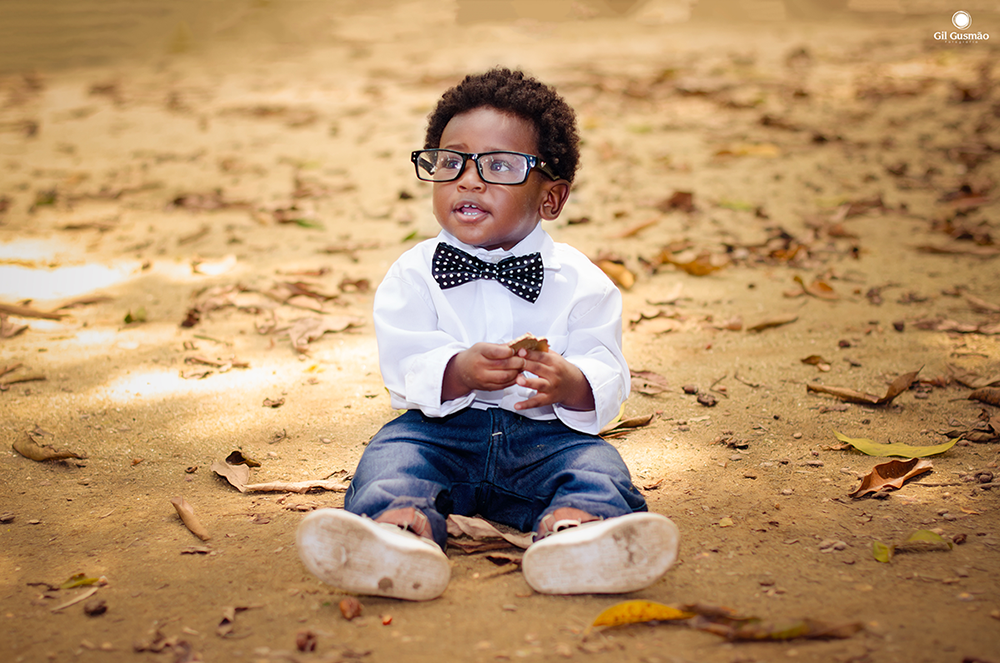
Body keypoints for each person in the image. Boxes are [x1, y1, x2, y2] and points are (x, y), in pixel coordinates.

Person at [297, 68, 679, 601]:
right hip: (440, 434)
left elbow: (608, 370)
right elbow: (404, 366)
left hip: (547, 438)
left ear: (551, 199)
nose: (469, 180)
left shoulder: (583, 282)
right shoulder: (413, 273)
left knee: (597, 466)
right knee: (390, 459)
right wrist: (457, 371)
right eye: (451, 162)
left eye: (499, 165)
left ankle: (577, 530)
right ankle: (398, 532)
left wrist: (571, 382)